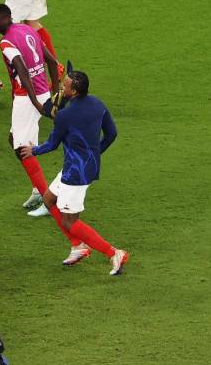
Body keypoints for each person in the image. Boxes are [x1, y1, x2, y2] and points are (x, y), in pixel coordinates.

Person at [18, 71, 129, 274]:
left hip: (76, 174)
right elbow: (111, 134)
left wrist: (33, 150)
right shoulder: (97, 104)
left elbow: (52, 144)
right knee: (49, 199)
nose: (62, 87)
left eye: (65, 85)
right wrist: (94, 153)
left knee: (70, 221)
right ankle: (78, 246)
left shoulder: (65, 116)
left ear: (74, 91)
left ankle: (114, 253)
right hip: (83, 167)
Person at [0, 5, 67, 222]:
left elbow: (21, 70)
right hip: (40, 93)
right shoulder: (27, 29)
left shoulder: (6, 42)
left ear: (6, 19)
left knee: (22, 148)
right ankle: (37, 190)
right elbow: (52, 61)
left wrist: (36, 103)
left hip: (27, 98)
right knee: (13, 138)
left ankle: (47, 200)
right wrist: (55, 93)